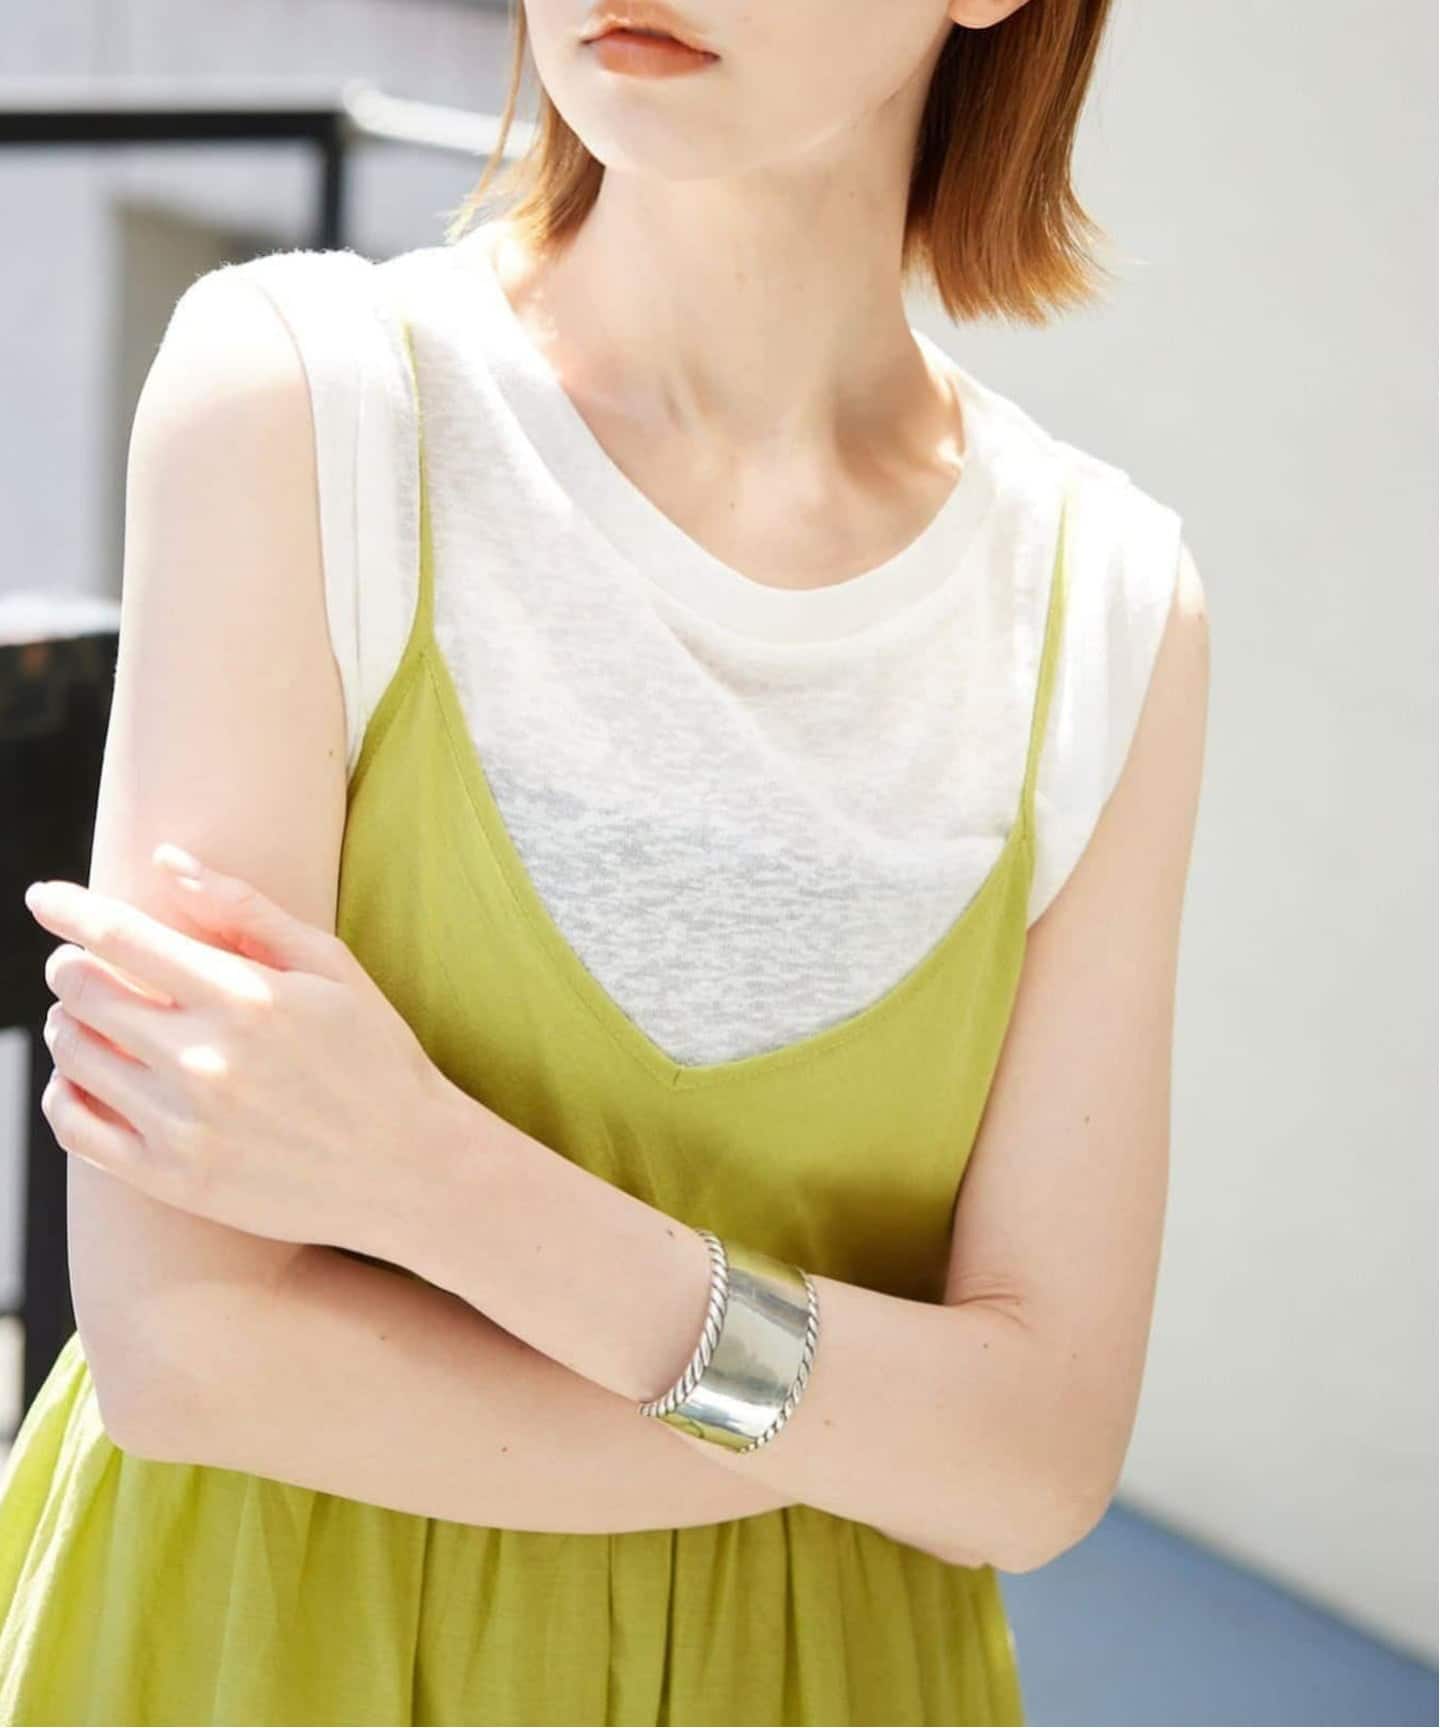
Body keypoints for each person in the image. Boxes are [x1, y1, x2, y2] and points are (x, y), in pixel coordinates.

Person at [0, 0, 1211, 1721]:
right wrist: (883, 1427)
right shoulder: (306, 403)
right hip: (254, 1654)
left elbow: (1036, 1464)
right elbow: (191, 1357)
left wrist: (434, 1178)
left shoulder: (1108, 612)